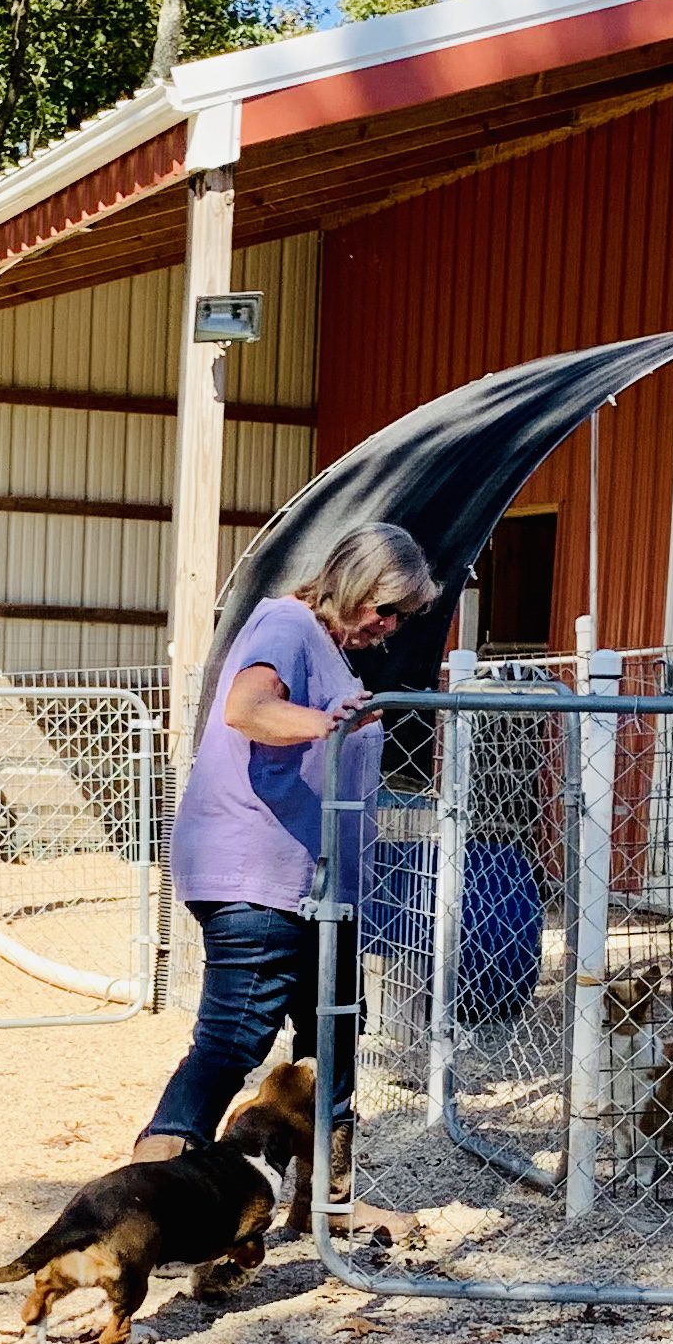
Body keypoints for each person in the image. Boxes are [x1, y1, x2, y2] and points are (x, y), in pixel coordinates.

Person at [134, 523, 441, 1234]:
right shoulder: (287, 621)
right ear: (355, 583)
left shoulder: (330, 650)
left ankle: (325, 1201)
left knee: (330, 1036)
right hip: (258, 876)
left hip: (318, 888)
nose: (389, 627)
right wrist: (322, 721)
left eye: (401, 616)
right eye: (385, 608)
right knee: (233, 1041)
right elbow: (248, 708)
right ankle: (148, 1202)